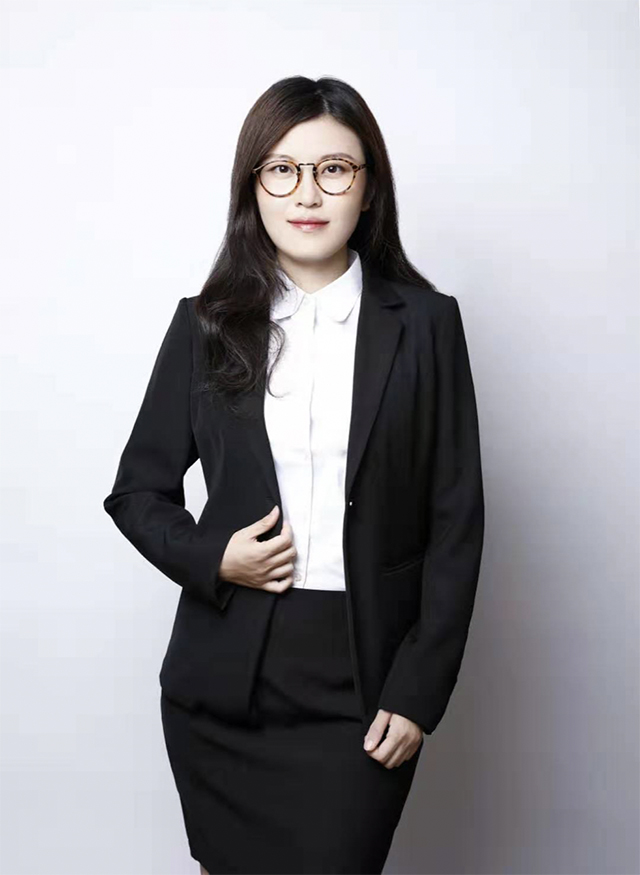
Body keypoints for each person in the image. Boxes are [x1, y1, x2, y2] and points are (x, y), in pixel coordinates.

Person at [103, 75, 485, 875]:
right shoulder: (206, 324)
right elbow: (137, 490)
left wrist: (421, 688)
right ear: (254, 187)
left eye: (333, 169)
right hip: (225, 681)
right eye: (281, 170)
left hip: (365, 678)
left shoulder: (426, 324)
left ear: (369, 187)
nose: (307, 193)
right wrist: (215, 556)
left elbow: (456, 519)